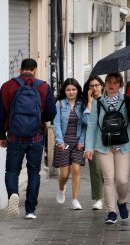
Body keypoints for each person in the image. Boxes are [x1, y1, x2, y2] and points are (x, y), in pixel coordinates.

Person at [0, 58, 56, 219]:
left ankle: (13, 194)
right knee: (33, 173)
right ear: (35, 70)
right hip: (36, 136)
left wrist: (1, 136)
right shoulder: (44, 87)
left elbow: (1, 113)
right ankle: (30, 210)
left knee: (11, 171)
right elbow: (51, 114)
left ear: (20, 70)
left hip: (14, 137)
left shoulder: (7, 86)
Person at [84, 73, 130, 224]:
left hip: (123, 145)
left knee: (122, 180)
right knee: (108, 179)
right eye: (109, 82)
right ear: (105, 84)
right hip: (103, 145)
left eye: (115, 82)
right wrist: (89, 148)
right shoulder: (97, 102)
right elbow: (92, 125)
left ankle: (122, 201)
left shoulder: (126, 100)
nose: (112, 85)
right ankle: (111, 211)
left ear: (121, 85)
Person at [53, 78, 86, 210]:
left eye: (73, 89)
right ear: (64, 91)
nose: (71, 92)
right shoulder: (59, 104)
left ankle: (75, 200)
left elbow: (85, 125)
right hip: (64, 142)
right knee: (64, 174)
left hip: (78, 142)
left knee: (76, 170)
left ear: (78, 90)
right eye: (68, 90)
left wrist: (82, 141)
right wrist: (60, 141)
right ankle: (61, 189)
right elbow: (57, 124)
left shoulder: (82, 104)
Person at [81, 76, 105, 210]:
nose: (94, 88)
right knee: (95, 170)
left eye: (96, 85)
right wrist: (90, 103)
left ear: (101, 85)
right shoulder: (85, 103)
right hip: (93, 141)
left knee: (107, 171)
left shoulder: (107, 99)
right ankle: (98, 199)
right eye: (91, 86)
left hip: (108, 140)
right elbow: (87, 120)